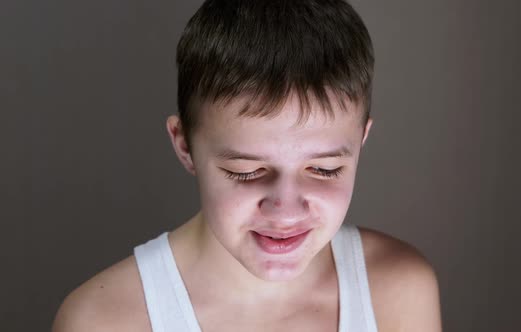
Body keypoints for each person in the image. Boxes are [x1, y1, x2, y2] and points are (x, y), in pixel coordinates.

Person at [52, 0, 442, 331]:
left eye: (324, 169)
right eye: (247, 171)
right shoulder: (102, 321)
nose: (286, 210)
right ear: (184, 145)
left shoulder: (400, 292)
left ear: (361, 142)